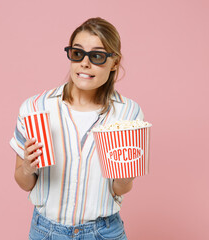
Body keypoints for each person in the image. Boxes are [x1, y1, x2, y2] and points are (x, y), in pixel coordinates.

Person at [10, 17, 144, 240]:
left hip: (104, 232)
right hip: (47, 232)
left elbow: (120, 188)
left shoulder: (128, 114)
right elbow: (24, 182)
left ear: (115, 62)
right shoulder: (36, 108)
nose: (85, 63)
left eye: (97, 56)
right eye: (77, 53)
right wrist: (27, 167)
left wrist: (125, 176)